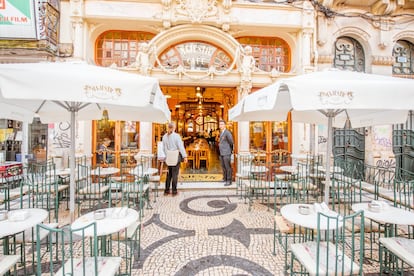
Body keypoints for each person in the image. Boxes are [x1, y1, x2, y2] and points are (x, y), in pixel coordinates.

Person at [162, 122, 187, 196]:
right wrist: (185, 156)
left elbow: (164, 148)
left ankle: (166, 191)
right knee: (175, 174)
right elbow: (181, 147)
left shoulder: (164, 137)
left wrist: (167, 155)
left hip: (168, 157)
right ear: (174, 128)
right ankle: (174, 191)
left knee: (169, 174)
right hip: (176, 156)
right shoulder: (177, 136)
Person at [218, 119, 234, 186]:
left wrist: (229, 150)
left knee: (228, 167)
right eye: (220, 124)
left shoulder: (227, 132)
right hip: (222, 152)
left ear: (225, 125)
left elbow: (231, 142)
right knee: (223, 166)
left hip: (227, 152)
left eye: (222, 124)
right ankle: (224, 178)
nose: (220, 126)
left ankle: (229, 180)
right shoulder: (221, 132)